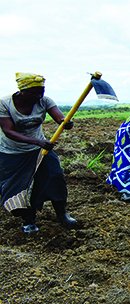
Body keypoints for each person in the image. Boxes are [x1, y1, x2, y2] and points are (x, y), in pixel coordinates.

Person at [0, 72, 77, 234]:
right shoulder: (4, 104)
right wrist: (38, 141)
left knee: (55, 176)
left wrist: (66, 123)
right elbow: (9, 131)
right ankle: (28, 219)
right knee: (20, 187)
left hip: (40, 150)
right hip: (13, 152)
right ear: (23, 91)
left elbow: (59, 118)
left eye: (41, 90)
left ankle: (62, 213)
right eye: (35, 92)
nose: (39, 95)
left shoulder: (44, 100)